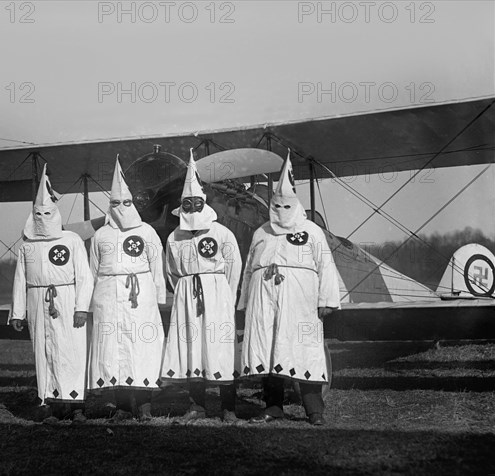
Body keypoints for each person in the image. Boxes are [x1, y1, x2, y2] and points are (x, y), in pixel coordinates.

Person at [238, 151, 340, 426]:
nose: (281, 211)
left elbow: (326, 265)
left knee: (303, 351)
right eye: (277, 206)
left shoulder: (312, 231)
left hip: (300, 303)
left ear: (295, 205)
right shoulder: (261, 233)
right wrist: (245, 302)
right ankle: (273, 407)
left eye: (286, 206)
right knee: (270, 351)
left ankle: (313, 410)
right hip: (264, 301)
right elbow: (249, 269)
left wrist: (326, 300)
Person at [162, 149, 242, 422]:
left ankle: (228, 406)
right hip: (187, 296)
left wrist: (224, 296)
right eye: (187, 204)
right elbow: (171, 271)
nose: (192, 209)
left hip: (217, 294)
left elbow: (234, 267)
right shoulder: (175, 237)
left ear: (204, 202)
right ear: (181, 205)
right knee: (192, 347)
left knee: (219, 347)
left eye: (196, 203)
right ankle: (197, 405)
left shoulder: (222, 233)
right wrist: (185, 289)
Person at [10, 164, 94, 424]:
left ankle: (77, 406)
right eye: (38, 213)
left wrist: (82, 308)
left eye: (47, 212)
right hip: (37, 302)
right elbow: (20, 279)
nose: (43, 217)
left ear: (55, 213)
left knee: (72, 350)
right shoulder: (27, 246)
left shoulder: (71, 240)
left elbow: (84, 276)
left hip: (67, 301)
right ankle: (52, 406)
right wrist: (17, 312)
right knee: (45, 351)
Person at [88, 156, 166, 421]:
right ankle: (122, 406)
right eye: (115, 203)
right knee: (113, 349)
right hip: (109, 295)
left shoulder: (147, 232)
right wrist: (91, 303)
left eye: (125, 203)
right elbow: (93, 271)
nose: (120, 208)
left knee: (141, 346)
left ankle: (144, 406)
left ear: (133, 203)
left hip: (139, 296)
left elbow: (157, 266)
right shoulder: (101, 236)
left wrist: (157, 297)